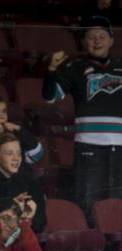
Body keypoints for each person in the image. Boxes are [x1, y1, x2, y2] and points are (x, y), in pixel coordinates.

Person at [43, 16, 122, 221]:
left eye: (102, 36)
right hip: (89, 146)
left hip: (121, 146)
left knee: (118, 202)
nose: (97, 41)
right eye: (91, 37)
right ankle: (91, 246)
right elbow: (50, 97)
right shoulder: (75, 67)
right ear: (85, 42)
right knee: (87, 200)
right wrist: (51, 70)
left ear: (111, 40)